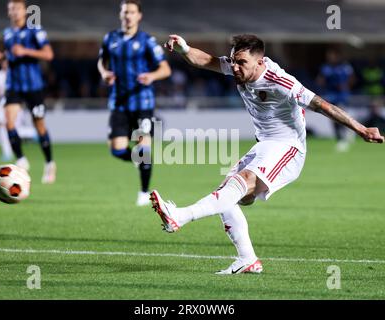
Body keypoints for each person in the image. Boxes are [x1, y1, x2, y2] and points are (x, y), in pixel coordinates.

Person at [150, 34, 384, 275]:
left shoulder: (280, 81)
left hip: (288, 147)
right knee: (229, 194)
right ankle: (247, 260)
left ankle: (180, 216)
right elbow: (205, 60)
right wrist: (183, 48)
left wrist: (362, 129)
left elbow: (323, 105)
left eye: (241, 63)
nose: (234, 67)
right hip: (264, 145)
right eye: (233, 61)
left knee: (237, 186)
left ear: (260, 62)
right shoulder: (238, 67)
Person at [97, 0, 171, 206]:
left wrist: (152, 76)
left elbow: (165, 69)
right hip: (118, 102)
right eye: (124, 12)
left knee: (143, 147)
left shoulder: (147, 41)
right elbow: (101, 61)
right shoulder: (110, 38)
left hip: (142, 103)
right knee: (116, 150)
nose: (128, 16)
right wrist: (104, 73)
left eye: (131, 12)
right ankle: (141, 162)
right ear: (120, 15)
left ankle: (144, 192)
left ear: (139, 16)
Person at [0, 0, 56, 183]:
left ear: (25, 11)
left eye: (18, 9)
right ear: (8, 12)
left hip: (33, 87)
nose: (14, 12)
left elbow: (48, 54)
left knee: (40, 126)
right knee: (9, 123)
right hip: (13, 85)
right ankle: (21, 160)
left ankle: (49, 163)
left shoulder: (35, 31)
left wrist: (26, 51)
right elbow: (12, 55)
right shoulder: (7, 33)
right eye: (11, 9)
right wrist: (3, 58)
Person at [317, 48, 356, 152]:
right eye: (329, 56)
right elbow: (320, 80)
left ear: (337, 56)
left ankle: (344, 137)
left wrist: (345, 86)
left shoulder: (345, 67)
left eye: (332, 55)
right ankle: (341, 137)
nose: (330, 57)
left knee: (340, 114)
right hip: (331, 95)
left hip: (342, 95)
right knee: (332, 117)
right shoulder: (326, 67)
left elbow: (352, 79)